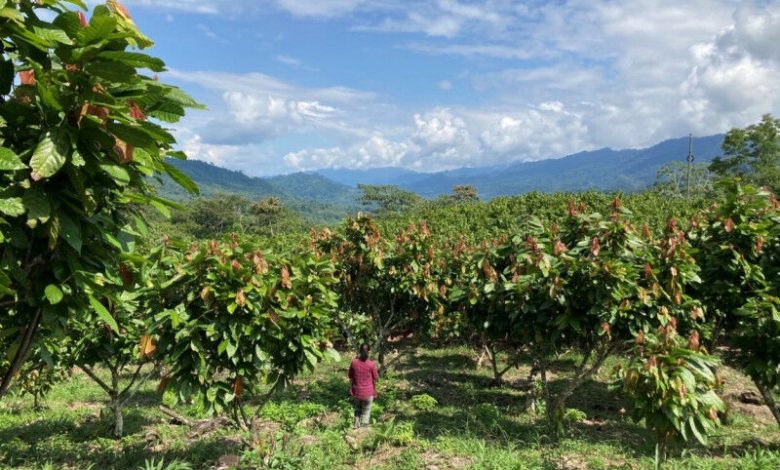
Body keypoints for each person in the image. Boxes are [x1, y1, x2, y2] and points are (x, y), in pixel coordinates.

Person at [348, 343, 378, 429]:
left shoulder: (354, 362)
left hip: (357, 391)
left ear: (359, 350)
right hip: (368, 392)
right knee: (366, 410)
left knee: (358, 407)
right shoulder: (371, 364)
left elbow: (350, 376)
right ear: (369, 351)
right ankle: (364, 426)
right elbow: (376, 377)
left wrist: (351, 386)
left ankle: (356, 423)